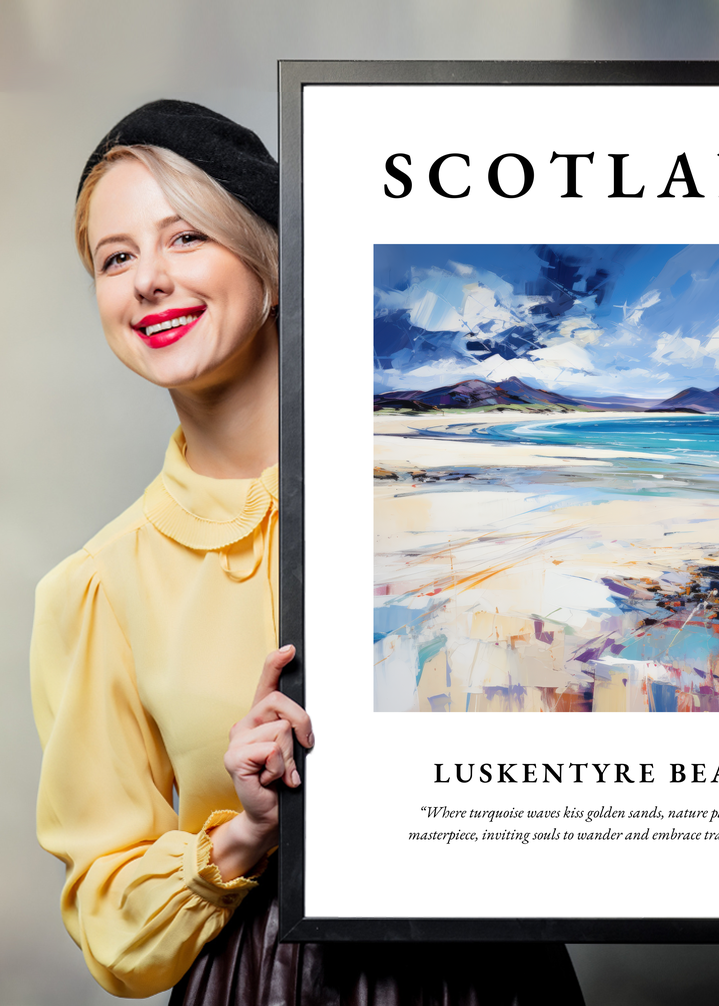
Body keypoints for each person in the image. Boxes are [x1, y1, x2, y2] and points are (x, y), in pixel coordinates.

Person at [30, 100, 586, 1004]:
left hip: (492, 973)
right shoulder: (97, 587)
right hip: (262, 982)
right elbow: (110, 923)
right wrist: (245, 832)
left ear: (273, 263)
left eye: (185, 239)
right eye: (116, 257)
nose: (148, 281)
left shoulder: (454, 500)